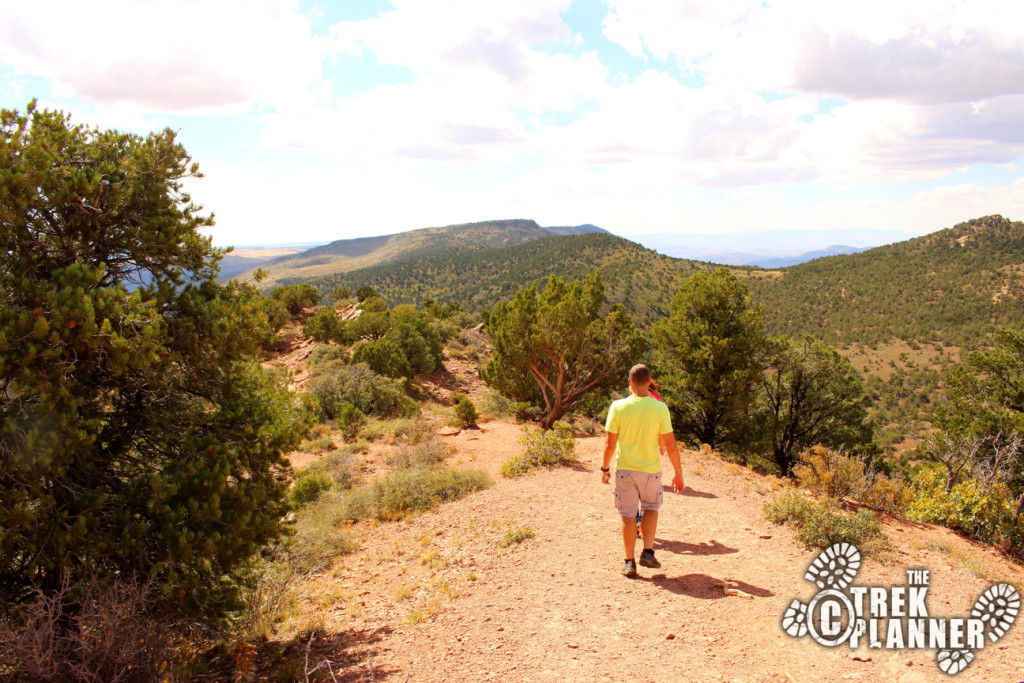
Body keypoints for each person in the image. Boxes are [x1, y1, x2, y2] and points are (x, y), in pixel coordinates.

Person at [601, 364, 684, 577]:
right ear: (649, 382)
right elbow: (671, 445)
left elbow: (610, 444)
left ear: (630, 383)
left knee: (628, 515)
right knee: (651, 508)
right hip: (651, 471)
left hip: (625, 470)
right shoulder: (660, 408)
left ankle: (629, 562)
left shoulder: (617, 407)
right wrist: (678, 472)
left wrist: (605, 468)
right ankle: (647, 552)